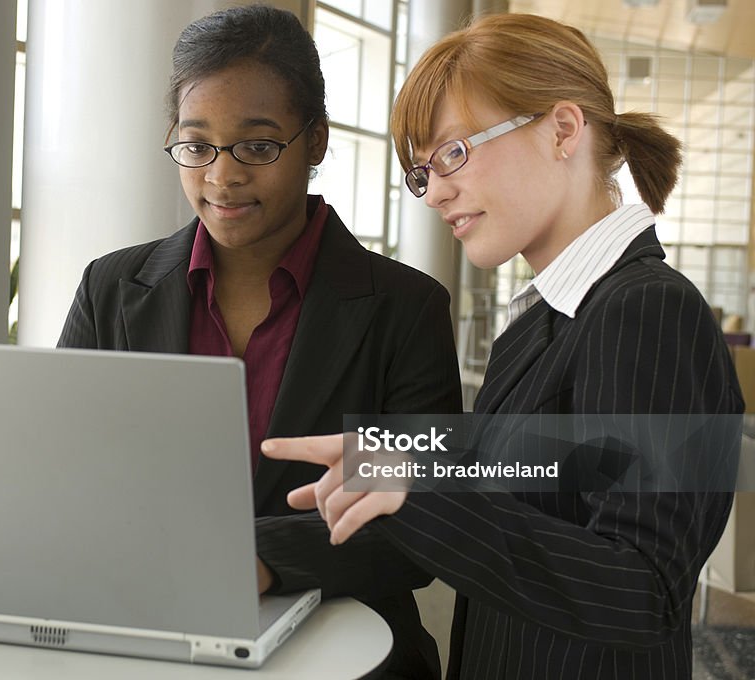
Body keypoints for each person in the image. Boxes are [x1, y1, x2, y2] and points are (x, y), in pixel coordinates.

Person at [261, 12, 743, 680]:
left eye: (453, 153)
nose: (433, 192)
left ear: (564, 129)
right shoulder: (544, 322)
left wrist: (419, 492)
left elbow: (644, 590)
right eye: (421, 171)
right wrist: (385, 470)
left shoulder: (648, 312)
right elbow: (520, 476)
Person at [57, 6, 462, 679]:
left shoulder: (405, 310)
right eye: (197, 145)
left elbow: (416, 525)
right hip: (149, 639)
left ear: (316, 141)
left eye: (257, 145)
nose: (222, 176)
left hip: (344, 654)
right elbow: (62, 471)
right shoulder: (111, 289)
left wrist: (260, 560)